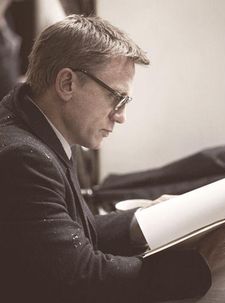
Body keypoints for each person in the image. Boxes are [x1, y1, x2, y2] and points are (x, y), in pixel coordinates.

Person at [0, 14, 211, 303]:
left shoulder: (41, 125)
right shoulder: (25, 158)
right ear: (67, 84)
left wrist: (147, 220)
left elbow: (66, 232)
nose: (121, 116)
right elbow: (81, 275)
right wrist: (201, 267)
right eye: (117, 97)